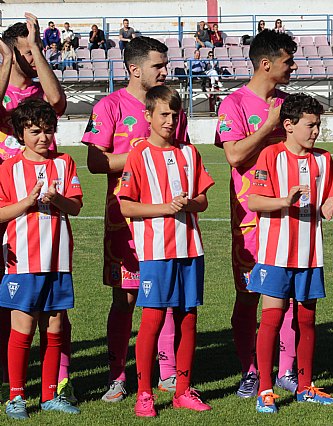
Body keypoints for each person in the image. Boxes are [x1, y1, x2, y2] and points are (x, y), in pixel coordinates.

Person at [82, 36, 188, 402]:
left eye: (165, 64)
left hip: (169, 222)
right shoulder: (110, 105)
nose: (165, 70)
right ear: (134, 69)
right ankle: (117, 376)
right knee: (125, 300)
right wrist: (143, 154)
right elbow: (96, 162)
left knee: (168, 299)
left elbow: (181, 154)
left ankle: (169, 372)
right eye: (158, 65)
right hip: (124, 224)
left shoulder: (172, 106)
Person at [119, 86, 214, 417]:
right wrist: (163, 208)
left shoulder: (189, 153)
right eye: (164, 114)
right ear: (148, 116)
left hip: (190, 248)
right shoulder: (138, 154)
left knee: (188, 318)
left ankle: (183, 389)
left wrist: (189, 203)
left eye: (175, 115)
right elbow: (126, 206)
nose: (170, 120)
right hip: (156, 251)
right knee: (153, 320)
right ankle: (144, 393)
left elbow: (203, 199)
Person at [215, 29, 299, 398]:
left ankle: (286, 370)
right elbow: (233, 156)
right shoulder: (233, 103)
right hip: (250, 218)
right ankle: (250, 369)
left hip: (289, 215)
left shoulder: (289, 103)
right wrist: (268, 126)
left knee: (288, 296)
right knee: (249, 294)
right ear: (266, 64)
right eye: (287, 61)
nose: (293, 66)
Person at [247, 93, 333, 413]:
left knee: (307, 321)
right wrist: (283, 202)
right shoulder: (270, 156)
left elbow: (329, 196)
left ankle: (305, 386)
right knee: (271, 320)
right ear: (288, 125)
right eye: (310, 125)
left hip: (310, 255)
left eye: (318, 125)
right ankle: (265, 389)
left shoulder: (324, 160)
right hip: (275, 255)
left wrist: (329, 205)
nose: (316, 131)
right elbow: (255, 202)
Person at [0, 13, 69, 400]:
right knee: (10, 302)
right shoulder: (5, 94)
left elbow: (58, 102)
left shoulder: (40, 99)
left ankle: (56, 381)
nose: (29, 58)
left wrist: (37, 49)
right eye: (24, 53)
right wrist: (7, 60)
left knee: (54, 310)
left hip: (43, 216)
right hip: (7, 205)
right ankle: (14, 384)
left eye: (33, 52)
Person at [0, 98, 82, 419]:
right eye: (34, 131)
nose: (43, 138)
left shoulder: (64, 163)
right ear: (21, 133)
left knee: (55, 326)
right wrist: (27, 202)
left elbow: (75, 206)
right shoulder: (8, 169)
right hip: (22, 262)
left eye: (48, 131)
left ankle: (50, 395)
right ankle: (16, 396)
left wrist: (57, 198)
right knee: (23, 326)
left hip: (58, 260)